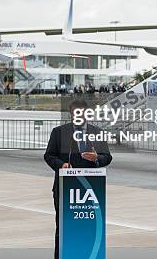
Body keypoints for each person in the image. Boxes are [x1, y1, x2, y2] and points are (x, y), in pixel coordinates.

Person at [44, 99, 112, 259]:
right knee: (64, 226)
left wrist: (96, 158)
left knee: (87, 227)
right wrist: (62, 165)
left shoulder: (97, 132)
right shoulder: (59, 132)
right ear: (71, 114)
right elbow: (49, 155)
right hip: (65, 187)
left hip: (90, 189)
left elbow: (107, 157)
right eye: (76, 114)